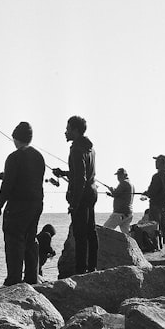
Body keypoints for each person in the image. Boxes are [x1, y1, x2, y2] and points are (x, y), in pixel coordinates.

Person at [0, 121, 45, 286]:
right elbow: (29, 177)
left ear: (16, 138)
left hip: (18, 206)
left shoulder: (13, 157)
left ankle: (14, 279)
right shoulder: (39, 157)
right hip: (36, 204)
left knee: (13, 239)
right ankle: (32, 278)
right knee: (30, 239)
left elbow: (7, 185)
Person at [52, 115, 98, 273]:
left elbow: (80, 178)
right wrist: (63, 172)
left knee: (80, 234)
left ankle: (81, 270)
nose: (65, 132)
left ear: (76, 131)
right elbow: (81, 173)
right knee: (91, 231)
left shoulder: (76, 150)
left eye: (68, 129)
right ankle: (92, 267)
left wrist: (74, 203)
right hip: (92, 193)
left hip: (82, 196)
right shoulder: (89, 148)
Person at [140, 154, 165, 246]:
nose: (155, 163)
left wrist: (146, 193)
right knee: (164, 227)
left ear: (162, 163)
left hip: (156, 205)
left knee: (154, 226)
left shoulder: (157, 176)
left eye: (157, 161)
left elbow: (152, 191)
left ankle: (156, 245)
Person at [103, 168, 134, 234]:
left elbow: (116, 193)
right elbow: (121, 195)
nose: (118, 177)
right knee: (127, 235)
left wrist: (111, 189)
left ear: (125, 175)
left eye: (120, 175)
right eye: (118, 175)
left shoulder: (124, 183)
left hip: (119, 214)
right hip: (128, 214)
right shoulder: (131, 184)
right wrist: (111, 194)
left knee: (105, 230)